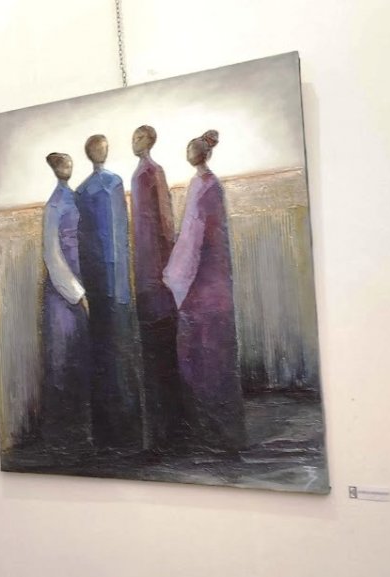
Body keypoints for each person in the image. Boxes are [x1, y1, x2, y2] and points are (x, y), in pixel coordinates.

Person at [163, 130, 247, 451]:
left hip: (201, 286)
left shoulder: (203, 186)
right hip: (215, 282)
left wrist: (174, 276)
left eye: (192, 149)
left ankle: (210, 432)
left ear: (200, 154)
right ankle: (222, 430)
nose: (190, 153)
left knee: (202, 354)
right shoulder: (209, 184)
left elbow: (192, 240)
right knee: (217, 353)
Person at [75, 134, 142, 451]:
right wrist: (121, 284)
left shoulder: (81, 190)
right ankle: (126, 432)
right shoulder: (113, 183)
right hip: (116, 284)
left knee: (103, 354)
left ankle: (106, 433)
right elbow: (119, 236)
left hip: (97, 285)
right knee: (121, 353)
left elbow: (86, 244)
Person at [129, 126, 190, 450]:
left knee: (162, 348)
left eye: (139, 138)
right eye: (134, 138)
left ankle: (170, 428)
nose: (134, 142)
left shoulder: (153, 173)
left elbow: (166, 221)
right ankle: (159, 429)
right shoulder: (138, 175)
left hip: (157, 274)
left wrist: (167, 268)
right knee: (152, 352)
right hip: (145, 273)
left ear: (150, 141)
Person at [39, 152, 91, 449]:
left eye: (70, 163)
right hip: (62, 296)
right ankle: (60, 435)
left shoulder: (75, 198)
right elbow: (52, 256)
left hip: (80, 285)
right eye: (63, 164)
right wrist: (76, 293)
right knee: (61, 358)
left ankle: (80, 429)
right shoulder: (54, 206)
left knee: (78, 357)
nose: (68, 167)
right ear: (55, 169)